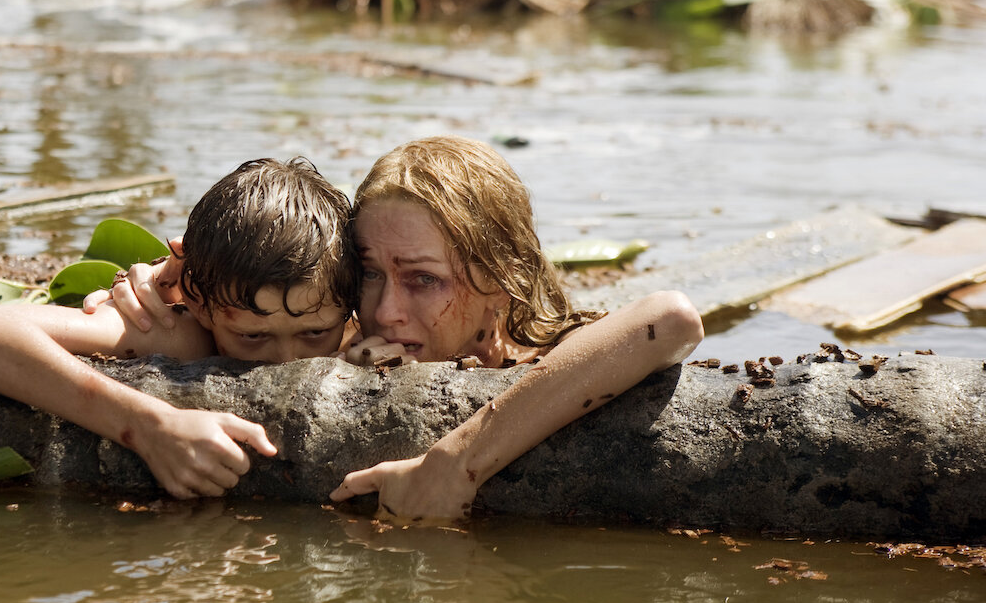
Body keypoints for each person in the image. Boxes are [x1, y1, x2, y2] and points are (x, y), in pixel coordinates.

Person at [95, 136, 704, 522]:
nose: (385, 311)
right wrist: (172, 282)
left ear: (500, 277)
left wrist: (455, 464)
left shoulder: (544, 355)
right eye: (368, 273)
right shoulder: (327, 334)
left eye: (423, 280)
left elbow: (671, 318)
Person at [0, 157, 358, 500]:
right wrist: (147, 427)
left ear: (350, 308)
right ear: (199, 303)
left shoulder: (362, 331)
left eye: (315, 333)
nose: (287, 360)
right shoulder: (177, 333)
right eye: (252, 336)